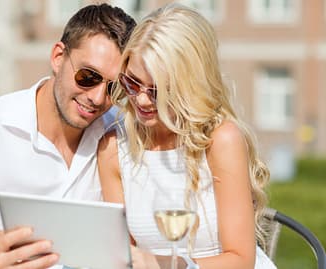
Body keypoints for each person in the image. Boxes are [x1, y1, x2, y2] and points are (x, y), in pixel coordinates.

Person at [0, 4, 136, 269]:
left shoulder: (121, 135)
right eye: (88, 76)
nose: (98, 98)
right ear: (57, 57)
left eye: (114, 88)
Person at [98, 3, 276, 269]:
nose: (142, 100)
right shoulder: (114, 147)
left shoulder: (220, 141)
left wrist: (165, 264)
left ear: (188, 87)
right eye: (132, 83)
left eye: (158, 90)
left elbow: (241, 260)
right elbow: (124, 256)